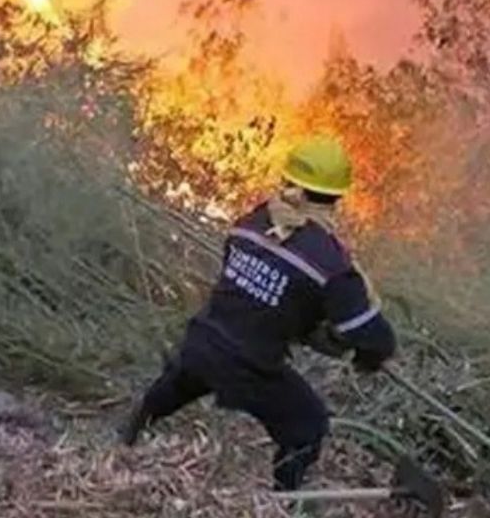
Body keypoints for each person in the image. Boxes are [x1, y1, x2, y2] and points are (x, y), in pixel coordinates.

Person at [119, 136, 397, 492]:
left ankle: (130, 431)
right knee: (308, 425)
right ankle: (284, 500)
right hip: (250, 366)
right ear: (337, 198)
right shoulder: (331, 263)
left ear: (288, 182)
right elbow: (372, 337)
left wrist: (301, 321)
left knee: (186, 375)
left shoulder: (250, 221)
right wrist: (368, 356)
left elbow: (261, 296)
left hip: (202, 339)